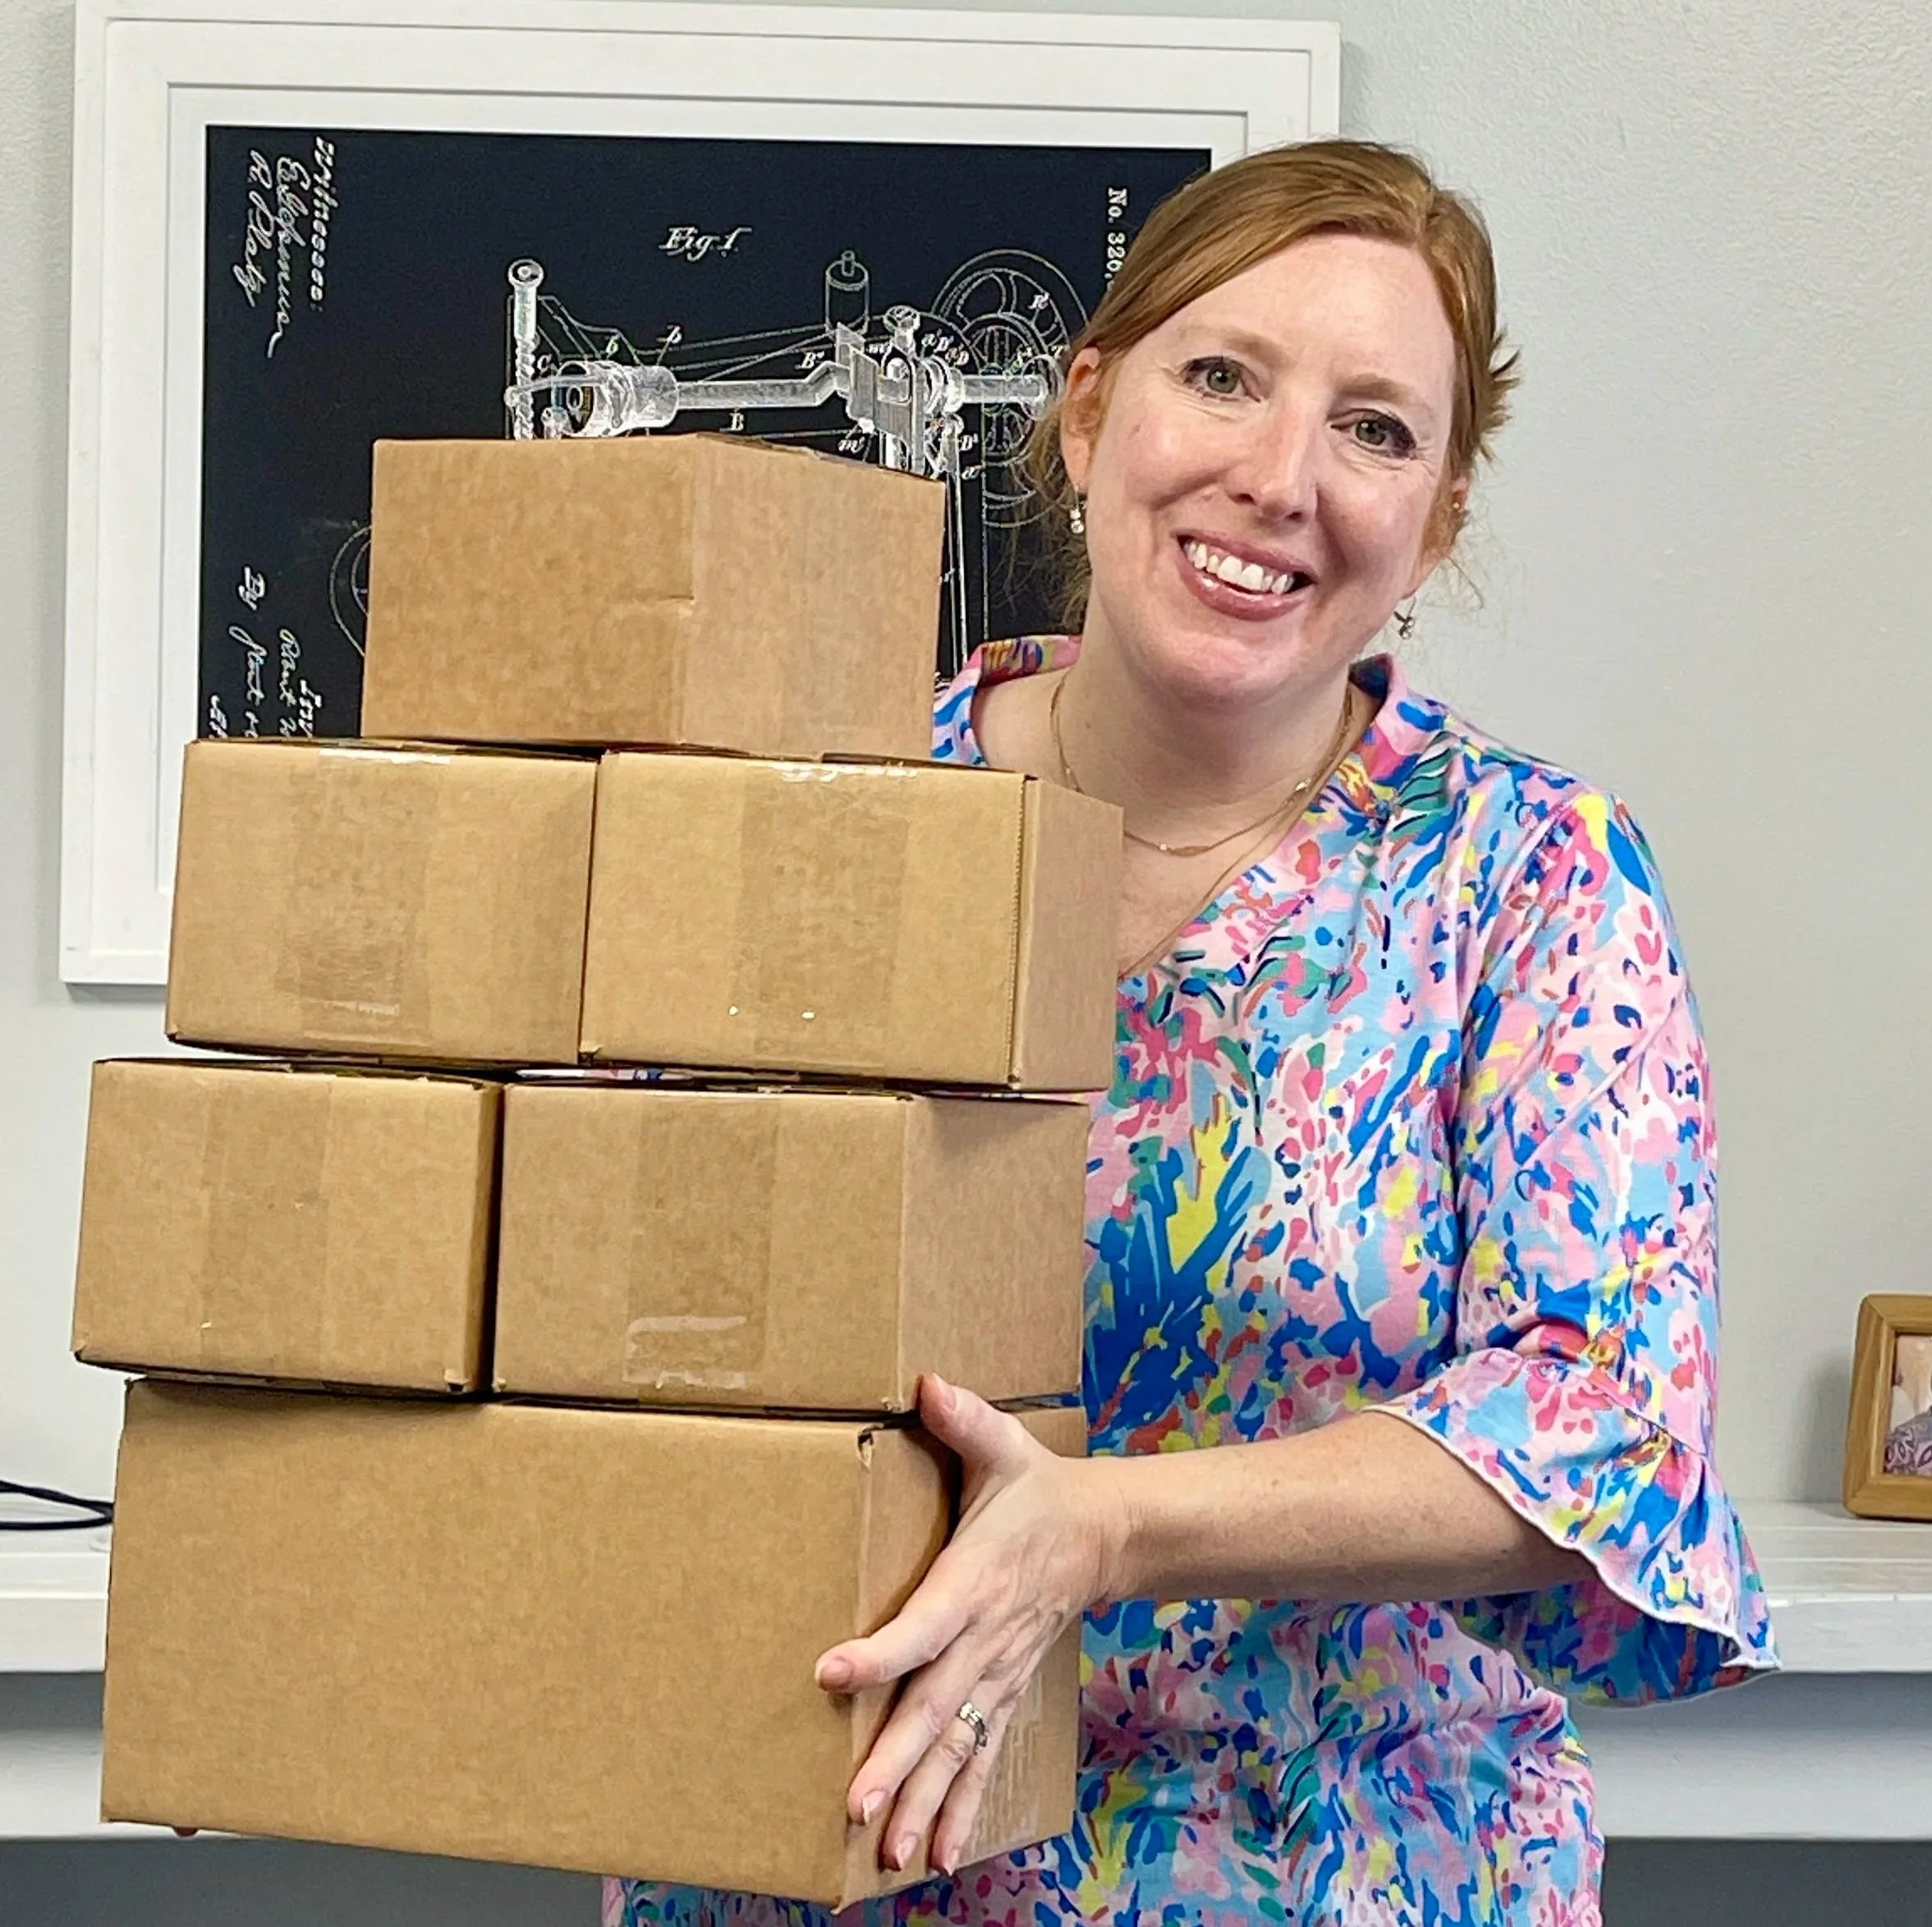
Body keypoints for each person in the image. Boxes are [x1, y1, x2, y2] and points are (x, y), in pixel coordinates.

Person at [611, 138, 1777, 1927]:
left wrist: (1104, 1524)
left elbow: (1600, 1425)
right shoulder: (812, 806)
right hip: (810, 1861)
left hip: (1333, 1879)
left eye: (1377, 429)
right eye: (1223, 376)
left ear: (1437, 519)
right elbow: (586, 1293)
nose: (1279, 476)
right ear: (1088, 413)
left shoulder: (1529, 880)